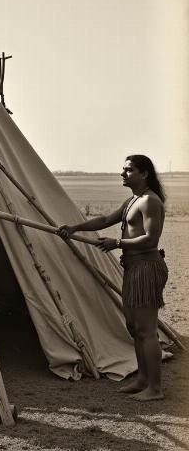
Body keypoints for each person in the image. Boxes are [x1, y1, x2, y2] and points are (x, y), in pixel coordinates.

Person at [58, 155, 167, 401]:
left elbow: (151, 239)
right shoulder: (133, 201)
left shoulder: (150, 202)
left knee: (146, 330)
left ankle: (155, 389)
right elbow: (106, 220)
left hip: (146, 268)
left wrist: (116, 242)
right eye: (123, 169)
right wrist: (75, 228)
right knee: (134, 327)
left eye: (129, 170)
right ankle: (142, 379)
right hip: (132, 268)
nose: (123, 173)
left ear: (144, 173)